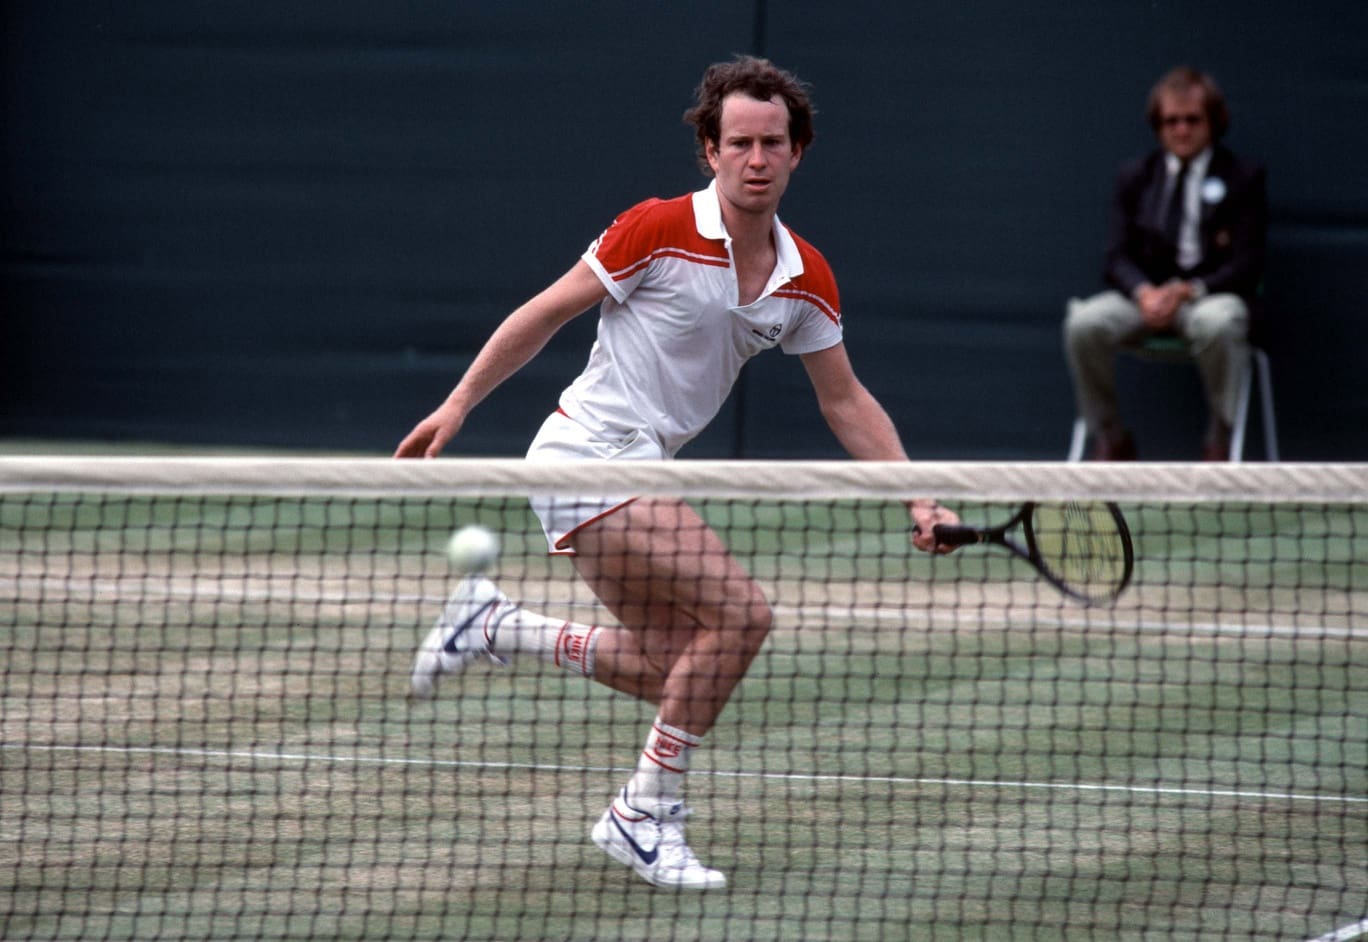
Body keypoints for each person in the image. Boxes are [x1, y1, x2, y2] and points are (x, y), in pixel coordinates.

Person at [394, 55, 959, 891]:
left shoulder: (807, 279)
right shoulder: (657, 228)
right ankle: (643, 812)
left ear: (798, 150)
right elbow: (544, 312)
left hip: (643, 470)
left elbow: (844, 400)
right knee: (744, 617)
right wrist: (458, 405)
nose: (757, 158)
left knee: (676, 665)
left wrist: (919, 494)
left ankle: (496, 628)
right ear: (711, 150)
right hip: (585, 454)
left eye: (773, 142)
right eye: (740, 143)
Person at [1063, 66, 1267, 461]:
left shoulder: (1244, 178)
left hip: (1208, 297)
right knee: (1083, 323)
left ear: (1214, 121)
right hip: (1146, 299)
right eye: (1171, 121)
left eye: (1193, 120)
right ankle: (1111, 439)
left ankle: (1221, 442)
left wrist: (1189, 290)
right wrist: (1144, 292)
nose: (1182, 130)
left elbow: (1249, 262)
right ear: (1158, 125)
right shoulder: (1135, 177)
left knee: (1220, 323)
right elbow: (1116, 257)